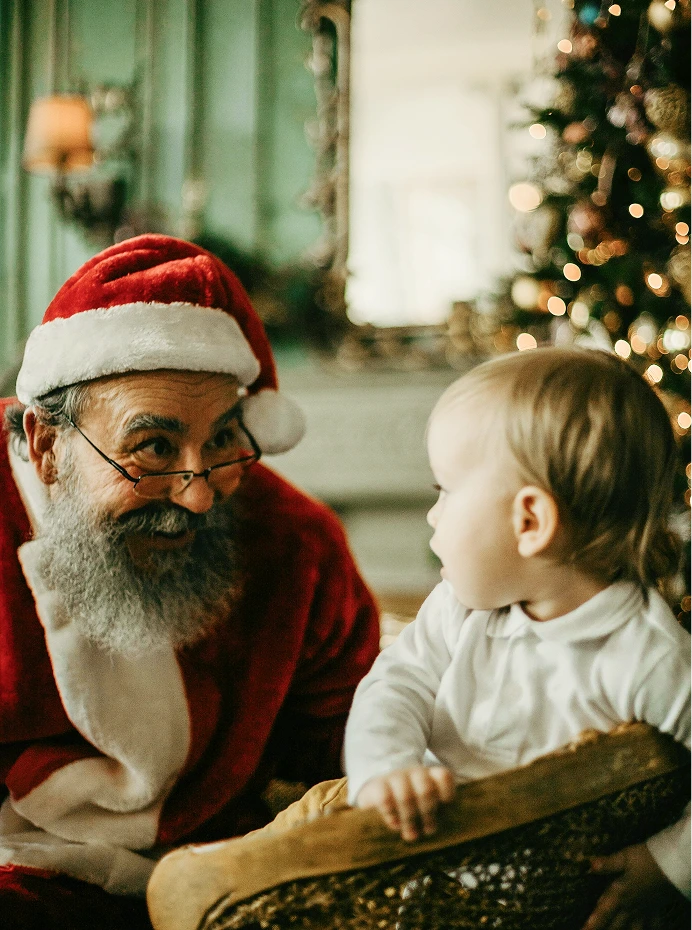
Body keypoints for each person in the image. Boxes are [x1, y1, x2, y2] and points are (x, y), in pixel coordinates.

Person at [0, 234, 380, 928]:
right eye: (153, 447)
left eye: (226, 441)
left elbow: (354, 735)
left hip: (216, 886)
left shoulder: (297, 545)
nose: (199, 496)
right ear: (48, 445)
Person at [344, 347, 692, 930]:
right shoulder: (458, 610)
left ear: (530, 523)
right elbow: (394, 686)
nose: (433, 515)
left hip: (564, 902)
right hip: (435, 864)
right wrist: (385, 767)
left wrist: (666, 867)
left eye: (445, 492)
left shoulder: (649, 657)